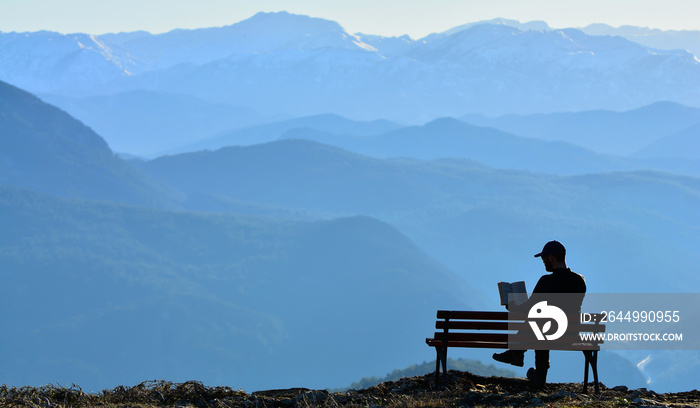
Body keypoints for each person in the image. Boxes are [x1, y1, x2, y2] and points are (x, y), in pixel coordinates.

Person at [492, 240, 586, 387]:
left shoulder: (546, 281)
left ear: (552, 258)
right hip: (571, 333)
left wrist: (512, 306)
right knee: (543, 323)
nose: (543, 262)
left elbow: (529, 308)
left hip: (549, 331)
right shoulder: (579, 281)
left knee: (540, 324)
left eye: (544, 259)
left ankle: (517, 354)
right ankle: (532, 370)